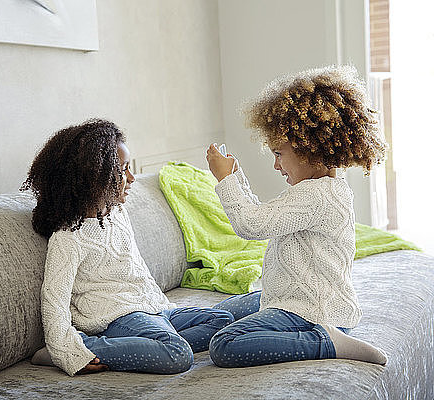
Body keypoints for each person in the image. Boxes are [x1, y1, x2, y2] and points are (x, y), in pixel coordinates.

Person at [205, 65, 388, 368]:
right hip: (303, 299)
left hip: (309, 312)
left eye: (279, 153)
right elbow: (266, 216)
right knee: (223, 311)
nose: (276, 165)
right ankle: (167, 325)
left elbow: (250, 225)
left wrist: (224, 181)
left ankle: (325, 342)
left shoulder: (313, 196)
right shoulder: (323, 190)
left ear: (310, 149)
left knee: (223, 344)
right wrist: (236, 180)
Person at [20, 119, 234, 376]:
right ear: (94, 177)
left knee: (222, 321)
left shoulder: (118, 214)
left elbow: (137, 271)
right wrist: (64, 349)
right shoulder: (68, 239)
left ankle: (149, 345)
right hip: (120, 318)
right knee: (177, 354)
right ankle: (83, 347)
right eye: (123, 170)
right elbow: (54, 299)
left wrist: (161, 308)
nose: (132, 178)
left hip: (156, 311)